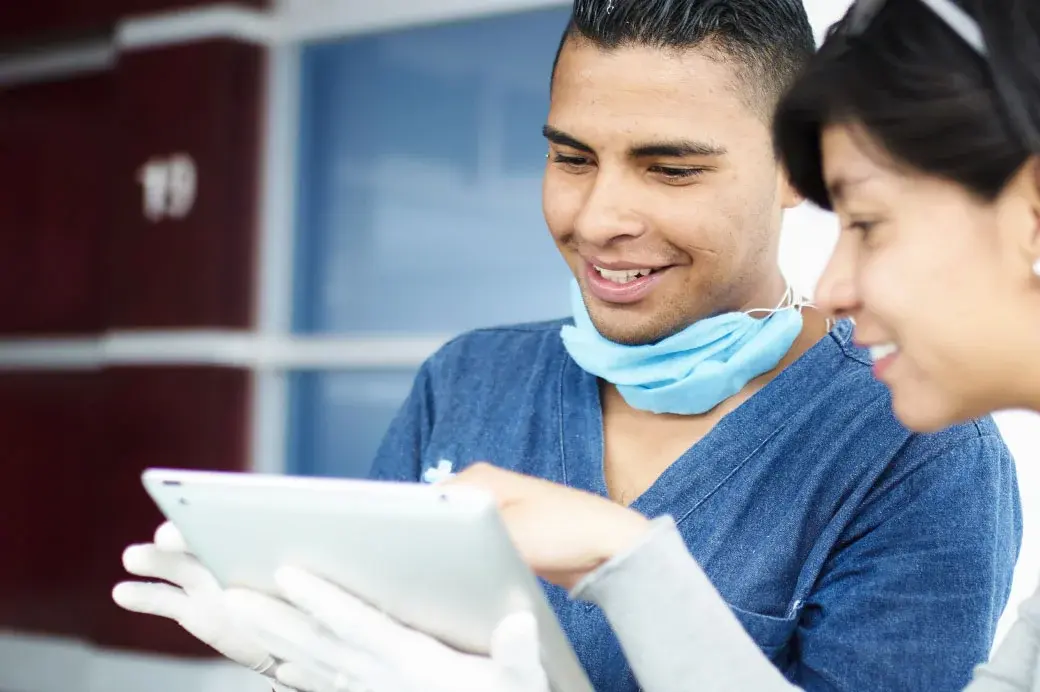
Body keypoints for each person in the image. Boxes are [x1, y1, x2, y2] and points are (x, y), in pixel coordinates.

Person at [111, 1, 1023, 691]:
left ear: (797, 170)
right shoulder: (468, 381)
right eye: (572, 158)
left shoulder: (918, 447)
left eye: (670, 168)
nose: (598, 219)